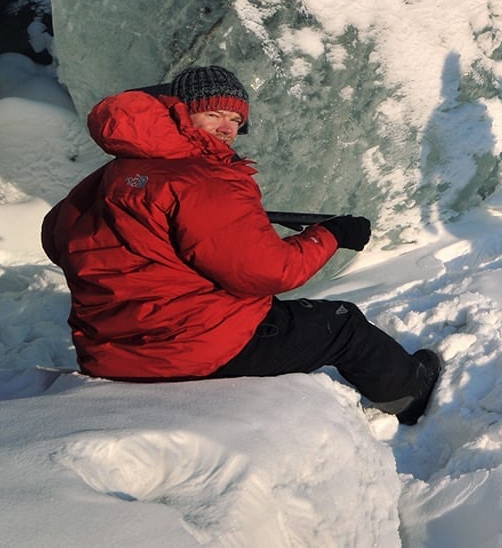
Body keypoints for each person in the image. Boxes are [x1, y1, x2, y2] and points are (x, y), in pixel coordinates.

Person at [41, 65, 442, 423]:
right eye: (213, 112)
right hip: (188, 350)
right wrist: (332, 234)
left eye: (235, 118)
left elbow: (54, 236)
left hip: (111, 351)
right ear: (179, 110)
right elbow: (269, 272)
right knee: (341, 324)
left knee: (268, 315)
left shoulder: (118, 173)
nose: (227, 127)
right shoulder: (203, 178)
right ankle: (409, 394)